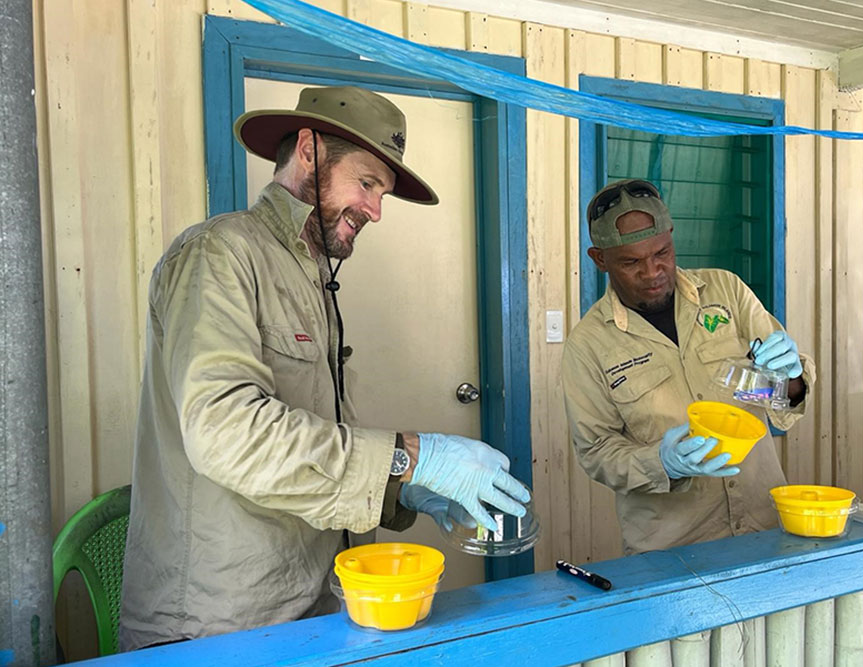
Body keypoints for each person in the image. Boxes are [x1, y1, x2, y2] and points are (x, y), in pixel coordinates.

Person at [119, 86, 529, 650]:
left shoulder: (311, 272)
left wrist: (400, 491)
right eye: (366, 184)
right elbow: (225, 433)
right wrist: (412, 457)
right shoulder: (221, 253)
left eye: (382, 194)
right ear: (308, 151)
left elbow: (309, 431)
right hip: (218, 621)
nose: (376, 211)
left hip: (310, 600)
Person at [561, 179, 815, 555]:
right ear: (599, 259)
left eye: (661, 252)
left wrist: (791, 379)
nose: (652, 272)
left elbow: (774, 396)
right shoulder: (589, 345)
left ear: (671, 237)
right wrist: (662, 463)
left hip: (763, 529)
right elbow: (597, 451)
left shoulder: (726, 291)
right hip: (672, 550)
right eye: (631, 262)